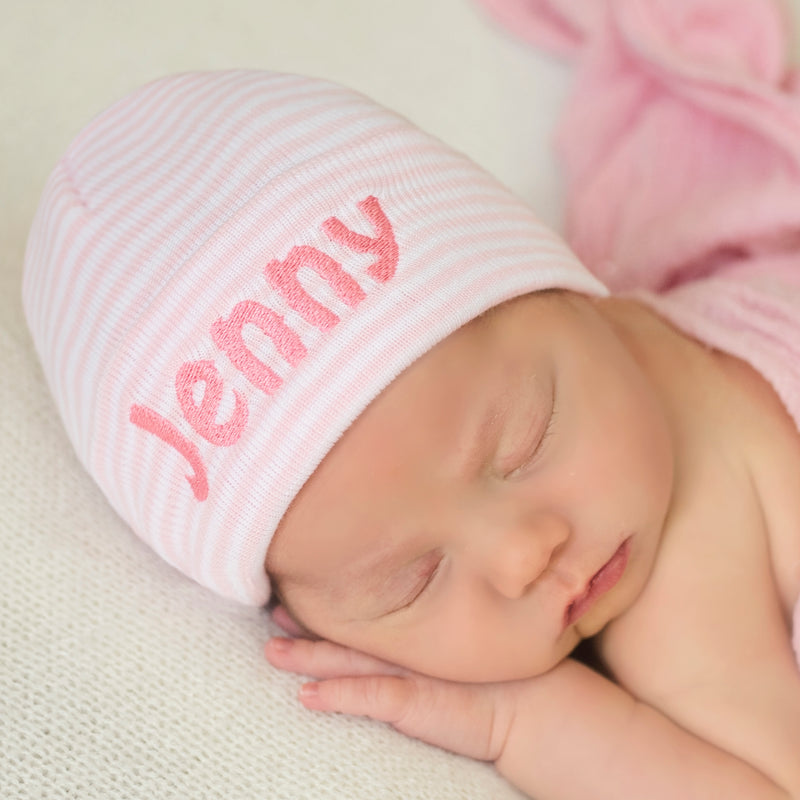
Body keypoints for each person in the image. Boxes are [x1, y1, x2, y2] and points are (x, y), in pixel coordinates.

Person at [22, 0, 800, 797]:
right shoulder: (611, 350)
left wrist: (526, 722)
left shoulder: (684, 602)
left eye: (528, 438)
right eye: (412, 581)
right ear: (301, 621)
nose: (523, 555)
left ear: (568, 286)